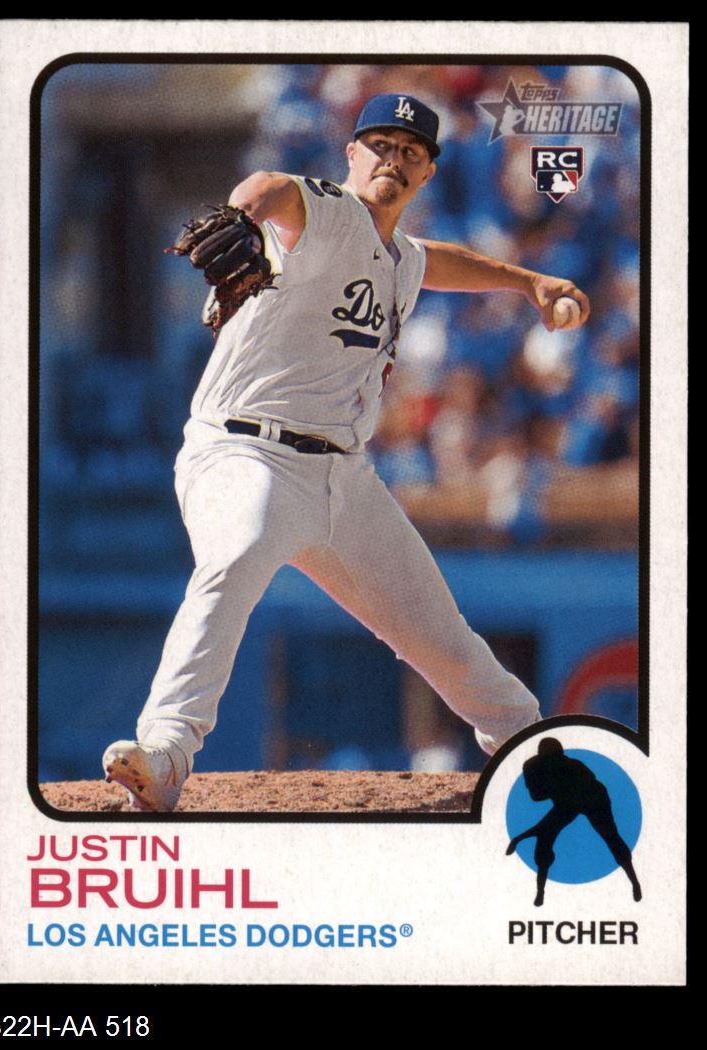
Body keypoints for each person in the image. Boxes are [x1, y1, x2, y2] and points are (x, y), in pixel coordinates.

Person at [103, 93, 590, 811]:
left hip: (344, 478)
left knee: (437, 630)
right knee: (236, 556)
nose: (393, 159)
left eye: (410, 152)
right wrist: (243, 216)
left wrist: (527, 281)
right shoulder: (328, 212)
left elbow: (434, 261)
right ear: (352, 154)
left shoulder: (401, 259)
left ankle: (527, 741)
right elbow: (270, 187)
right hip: (245, 454)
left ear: (427, 173)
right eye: (380, 145)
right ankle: (166, 752)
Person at [506, 737, 642, 906]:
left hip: (591, 797)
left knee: (611, 837)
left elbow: (586, 783)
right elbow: (536, 796)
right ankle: (540, 891)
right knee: (544, 839)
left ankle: (634, 882)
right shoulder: (532, 767)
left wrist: (556, 786)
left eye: (558, 757)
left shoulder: (574, 766)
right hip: (567, 801)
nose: (556, 761)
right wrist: (557, 786)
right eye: (551, 759)